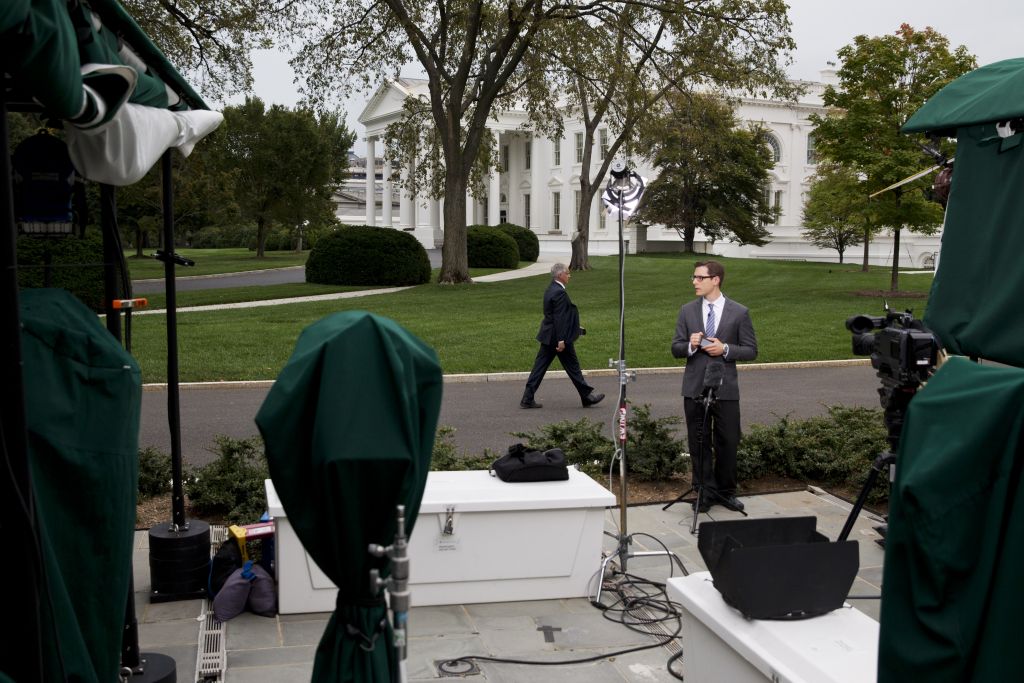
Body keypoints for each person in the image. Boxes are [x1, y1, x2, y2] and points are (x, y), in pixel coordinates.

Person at [671, 260, 757, 512]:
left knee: (728, 441)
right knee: (698, 442)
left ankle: (726, 492)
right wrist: (691, 345)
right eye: (693, 277)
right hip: (694, 387)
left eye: (700, 278)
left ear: (715, 279)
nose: (694, 282)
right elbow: (676, 348)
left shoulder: (739, 312)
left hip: (725, 388)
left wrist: (725, 349)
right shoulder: (687, 311)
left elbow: (751, 350)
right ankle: (704, 492)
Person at [521, 263, 605, 409]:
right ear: (560, 275)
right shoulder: (559, 292)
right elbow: (559, 318)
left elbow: (558, 315)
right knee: (573, 367)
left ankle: (527, 398)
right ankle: (587, 397)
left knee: (540, 367)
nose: (569, 275)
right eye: (567, 273)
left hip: (549, 336)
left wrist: (574, 327)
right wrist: (561, 340)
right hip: (558, 338)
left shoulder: (551, 289)